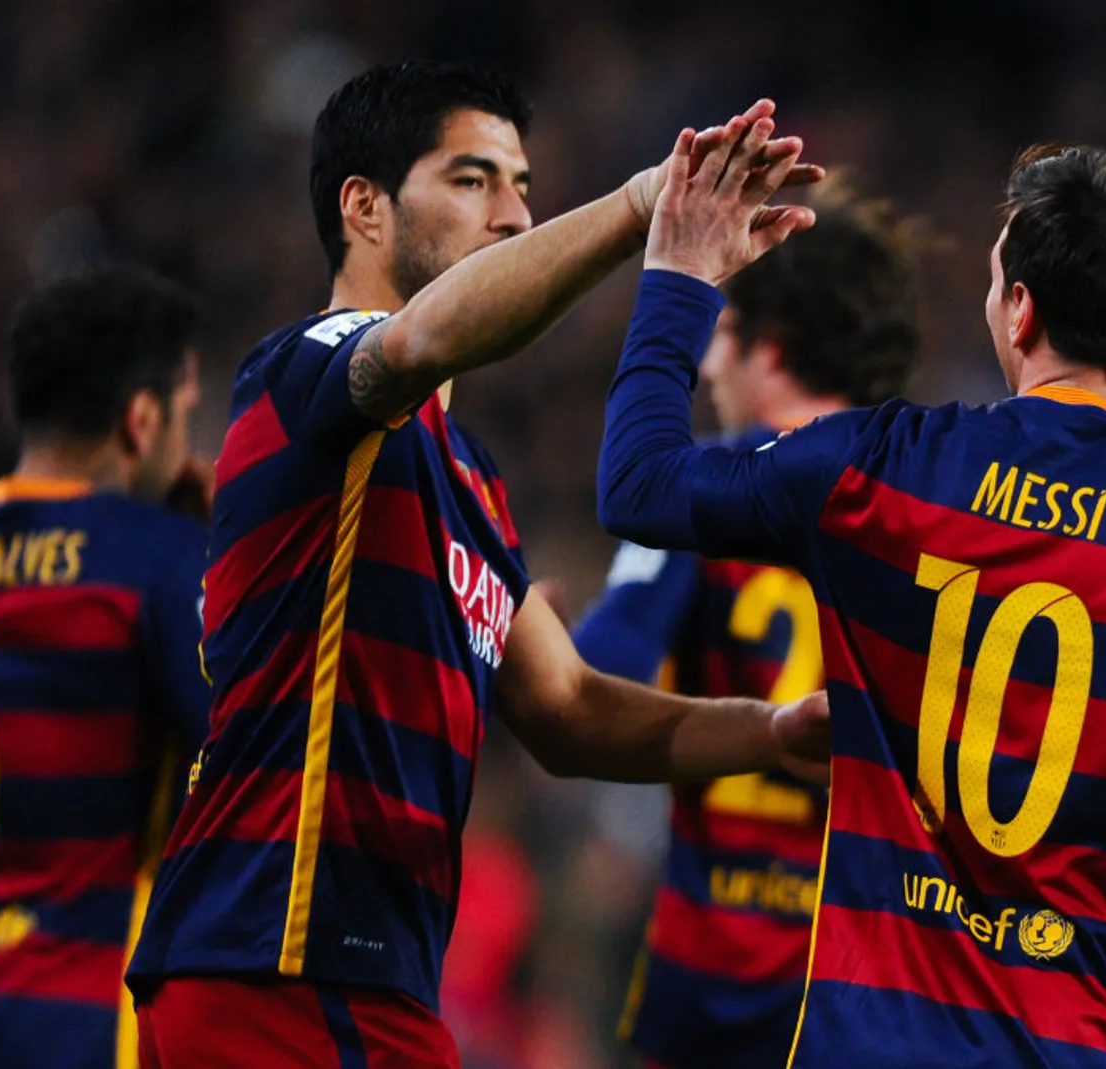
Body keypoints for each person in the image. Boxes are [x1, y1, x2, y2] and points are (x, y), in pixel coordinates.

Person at [124, 61, 826, 1069]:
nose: (514, 214)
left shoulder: (468, 478)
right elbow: (422, 337)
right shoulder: (311, 361)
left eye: (523, 185)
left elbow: (568, 706)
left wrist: (770, 729)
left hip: (345, 976)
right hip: (279, 956)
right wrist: (642, 212)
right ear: (364, 208)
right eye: (472, 179)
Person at [600, 125, 1106, 1069]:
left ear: (1020, 311)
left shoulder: (881, 467)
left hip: (873, 1043)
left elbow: (639, 485)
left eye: (995, 282)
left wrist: (679, 272)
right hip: (1095, 1046)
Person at [573, 186, 923, 1069]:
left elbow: (600, 665)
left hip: (716, 976)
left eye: (721, 333)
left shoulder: (708, 487)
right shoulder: (928, 508)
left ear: (769, 348)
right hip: (875, 985)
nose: (707, 364)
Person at [0, 265, 211, 1069]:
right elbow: (245, 761)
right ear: (142, 419)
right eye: (186, 412)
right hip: (75, 1024)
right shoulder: (159, 563)